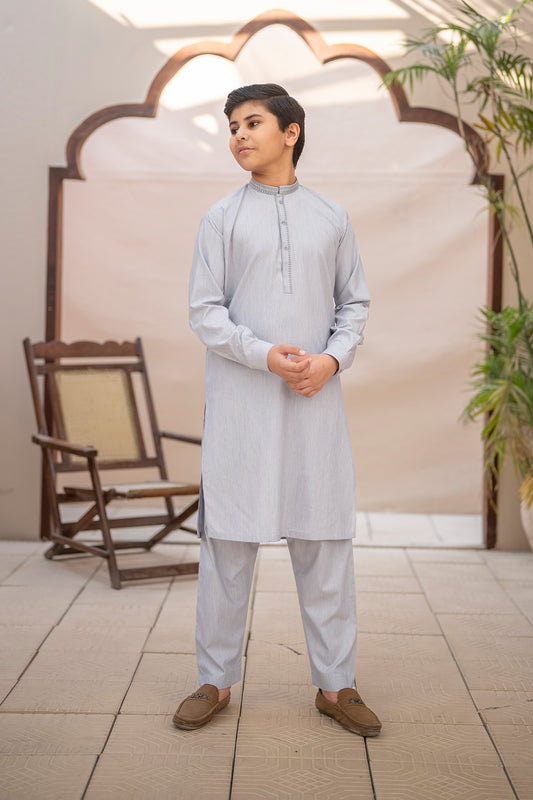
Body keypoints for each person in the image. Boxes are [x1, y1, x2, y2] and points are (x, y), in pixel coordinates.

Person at [173, 83, 381, 737]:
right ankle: (214, 680)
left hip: (314, 407)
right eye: (232, 126)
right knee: (227, 545)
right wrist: (264, 355)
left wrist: (331, 361)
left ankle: (336, 686)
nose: (238, 135)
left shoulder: (331, 217)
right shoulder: (221, 218)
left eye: (252, 122)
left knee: (325, 542)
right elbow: (204, 312)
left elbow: (354, 304)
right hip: (241, 407)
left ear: (290, 132)